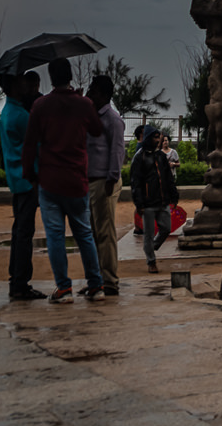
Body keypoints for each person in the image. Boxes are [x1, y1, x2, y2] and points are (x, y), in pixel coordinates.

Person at [22, 56, 107, 303]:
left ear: (51, 77)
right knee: (84, 233)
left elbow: (29, 144)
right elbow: (96, 130)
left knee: (56, 236)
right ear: (70, 76)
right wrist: (83, 102)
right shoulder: (83, 105)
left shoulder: (41, 105)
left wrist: (30, 174)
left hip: (50, 180)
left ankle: (63, 288)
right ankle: (96, 285)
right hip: (77, 179)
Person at [0, 71, 46, 298]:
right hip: (29, 180)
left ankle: (16, 279)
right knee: (24, 233)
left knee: (19, 231)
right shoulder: (21, 115)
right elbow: (39, 144)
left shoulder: (9, 111)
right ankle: (20, 282)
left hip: (17, 179)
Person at [83, 76, 126, 295]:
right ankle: (96, 278)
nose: (89, 93)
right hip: (91, 181)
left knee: (105, 231)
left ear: (103, 94)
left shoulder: (113, 120)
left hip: (104, 182)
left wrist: (111, 178)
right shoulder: (91, 118)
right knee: (92, 231)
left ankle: (109, 280)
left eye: (93, 90)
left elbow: (117, 151)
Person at [128, 126, 179, 272]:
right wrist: (139, 203)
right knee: (148, 234)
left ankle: (152, 247)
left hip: (163, 201)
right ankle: (151, 261)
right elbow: (135, 183)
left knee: (166, 228)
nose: (158, 140)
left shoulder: (161, 156)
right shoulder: (139, 157)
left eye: (159, 137)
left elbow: (168, 178)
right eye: (155, 137)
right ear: (149, 138)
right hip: (148, 203)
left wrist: (174, 196)